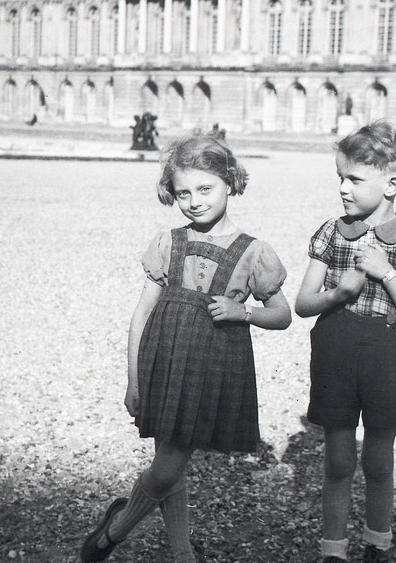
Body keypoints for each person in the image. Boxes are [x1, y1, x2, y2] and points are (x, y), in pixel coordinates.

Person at [80, 135, 293, 562]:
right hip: (165, 359)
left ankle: (115, 530)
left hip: (213, 370)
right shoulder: (167, 243)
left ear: (229, 183)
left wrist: (242, 311)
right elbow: (140, 315)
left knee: (169, 464)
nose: (194, 201)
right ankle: (182, 554)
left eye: (205, 189)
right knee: (170, 460)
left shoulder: (254, 252)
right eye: (183, 192)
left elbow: (283, 314)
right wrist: (134, 380)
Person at [295, 121, 396, 563]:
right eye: (340, 177)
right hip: (335, 350)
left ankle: (378, 545)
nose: (342, 188)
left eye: (354, 179)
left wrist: (385, 272)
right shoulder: (331, 233)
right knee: (337, 461)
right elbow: (302, 303)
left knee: (377, 459)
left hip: (388, 355)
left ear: (392, 183)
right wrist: (341, 292)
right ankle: (332, 551)